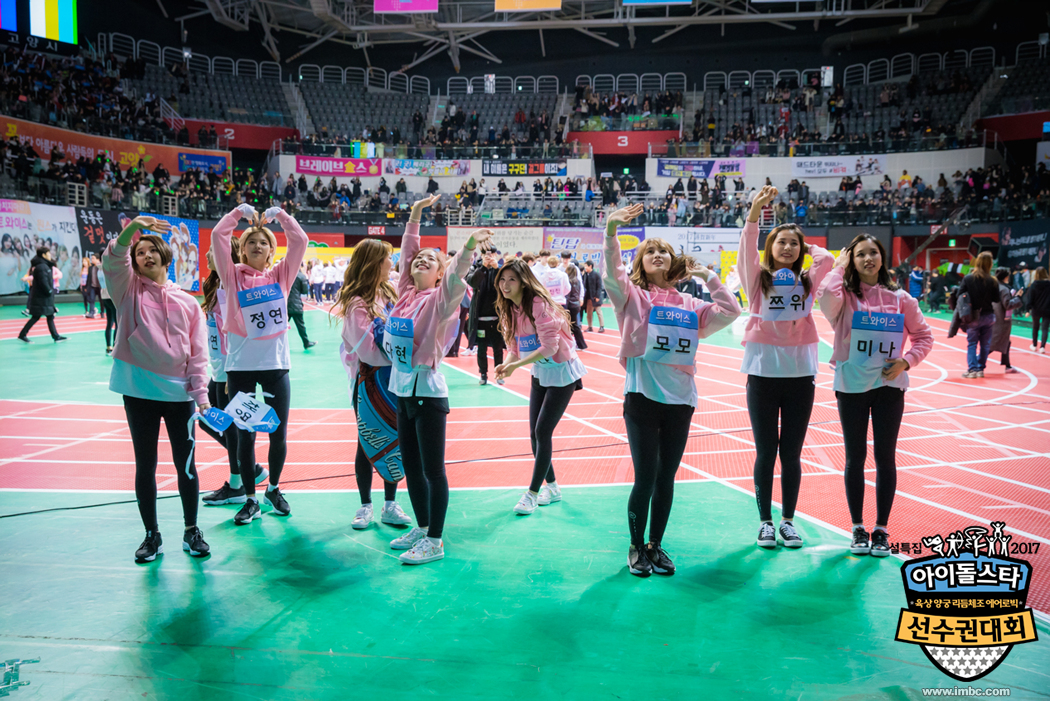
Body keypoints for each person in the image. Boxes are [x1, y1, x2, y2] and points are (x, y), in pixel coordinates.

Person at [604, 204, 741, 577]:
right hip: (642, 397)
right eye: (650, 251)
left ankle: (655, 545)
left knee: (666, 479)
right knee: (646, 477)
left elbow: (731, 311)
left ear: (673, 261)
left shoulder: (692, 305)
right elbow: (613, 274)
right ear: (641, 262)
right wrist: (611, 231)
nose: (657, 254)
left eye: (663, 250)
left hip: (681, 401)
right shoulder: (632, 297)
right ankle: (636, 547)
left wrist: (709, 276)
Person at [383, 194, 491, 565]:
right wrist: (414, 215)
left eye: (431, 260)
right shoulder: (405, 294)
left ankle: (435, 540)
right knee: (411, 467)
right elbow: (407, 252)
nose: (421, 260)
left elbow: (456, 274)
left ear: (439, 273)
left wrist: (469, 246)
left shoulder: (440, 300)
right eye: (419, 258)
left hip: (428, 394)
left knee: (432, 470)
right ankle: (422, 525)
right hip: (402, 392)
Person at [102, 216, 212, 562]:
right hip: (139, 393)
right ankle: (152, 535)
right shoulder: (127, 290)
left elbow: (198, 354)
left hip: (180, 397)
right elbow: (113, 259)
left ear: (166, 258)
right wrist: (133, 228)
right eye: (139, 252)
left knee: (187, 466)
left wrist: (201, 395)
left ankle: (192, 530)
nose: (145, 255)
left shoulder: (189, 303)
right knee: (145, 465)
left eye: (152, 250)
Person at [817, 234, 933, 557]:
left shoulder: (901, 299)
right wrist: (838, 267)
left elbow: (924, 336)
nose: (868, 259)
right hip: (851, 387)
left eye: (873, 253)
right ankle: (857, 527)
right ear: (852, 261)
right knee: (855, 458)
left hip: (889, 388)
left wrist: (906, 362)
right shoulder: (843, 298)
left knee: (885, 458)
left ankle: (881, 529)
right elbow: (824, 296)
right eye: (860, 255)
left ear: (882, 258)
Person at [738, 186, 833, 549]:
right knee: (766, 452)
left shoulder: (807, 281)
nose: (788, 247)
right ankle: (765, 522)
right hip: (762, 374)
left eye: (795, 243)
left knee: (791, 454)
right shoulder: (757, 280)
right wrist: (755, 212)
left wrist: (806, 248)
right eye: (781, 242)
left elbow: (827, 259)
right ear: (770, 248)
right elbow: (747, 249)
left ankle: (788, 521)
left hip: (800, 376)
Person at [211, 203, 308, 525]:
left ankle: (274, 489)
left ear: (271, 251)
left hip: (275, 366)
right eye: (250, 241)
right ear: (242, 249)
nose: (256, 245)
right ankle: (251, 499)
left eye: (263, 242)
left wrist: (280, 216)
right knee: (245, 436)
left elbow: (300, 241)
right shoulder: (231, 277)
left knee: (278, 433)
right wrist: (237, 214)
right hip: (240, 367)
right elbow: (218, 235)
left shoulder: (281, 275)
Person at [493, 259, 587, 515]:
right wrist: (506, 364)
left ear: (523, 282)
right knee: (535, 435)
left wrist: (516, 366)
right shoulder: (510, 308)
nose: (505, 285)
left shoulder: (539, 304)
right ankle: (552, 488)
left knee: (543, 431)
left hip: (562, 373)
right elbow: (514, 347)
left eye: (512, 279)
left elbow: (550, 347)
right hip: (540, 372)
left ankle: (532, 494)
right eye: (502, 280)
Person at [333, 239, 411, 531]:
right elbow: (368, 352)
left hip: (394, 380)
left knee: (396, 440)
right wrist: (399, 351)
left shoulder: (389, 293)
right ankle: (365, 505)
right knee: (367, 441)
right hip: (369, 383)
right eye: (387, 258)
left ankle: (390, 504)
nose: (392, 263)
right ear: (374, 264)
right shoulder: (357, 303)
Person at [199, 242, 268, 507]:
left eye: (213, 250)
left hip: (230, 369)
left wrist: (231, 370)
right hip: (218, 368)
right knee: (209, 421)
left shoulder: (233, 287)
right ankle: (251, 468)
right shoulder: (214, 285)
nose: (208, 254)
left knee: (231, 429)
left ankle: (237, 484)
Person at [466, 246, 507, 386]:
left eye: (491, 253)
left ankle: (499, 373)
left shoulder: (501, 269)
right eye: (485, 254)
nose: (489, 256)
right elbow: (472, 282)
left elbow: (505, 285)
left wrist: (497, 269)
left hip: (497, 318)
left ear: (496, 254)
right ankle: (483, 374)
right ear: (482, 255)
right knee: (481, 348)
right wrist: (483, 267)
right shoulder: (475, 268)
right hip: (480, 318)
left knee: (498, 348)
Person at [958, 252, 999, 379]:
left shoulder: (968, 278)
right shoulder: (992, 280)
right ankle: (981, 368)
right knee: (985, 344)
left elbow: (960, 294)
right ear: (990, 264)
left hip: (973, 315)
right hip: (988, 315)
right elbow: (996, 299)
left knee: (972, 343)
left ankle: (972, 369)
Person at [18, 246, 67, 343]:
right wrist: (49, 291)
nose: (50, 255)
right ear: (44, 255)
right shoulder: (42, 267)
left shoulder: (44, 266)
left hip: (44, 296)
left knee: (49, 316)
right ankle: (22, 334)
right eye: (48, 253)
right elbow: (43, 281)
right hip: (42, 297)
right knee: (36, 316)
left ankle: (55, 336)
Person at [991, 267, 1023, 374]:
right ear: (1005, 277)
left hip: (994, 317)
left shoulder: (994, 287)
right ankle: (977, 361)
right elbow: (1008, 305)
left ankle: (1007, 365)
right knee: (994, 343)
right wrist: (1018, 297)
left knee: (1005, 342)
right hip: (1001, 320)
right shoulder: (1004, 289)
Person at [288, 265, 316, 349]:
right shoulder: (301, 276)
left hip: (284, 304)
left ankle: (274, 344)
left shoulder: (285, 274)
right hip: (296, 304)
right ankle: (306, 343)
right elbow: (304, 291)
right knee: (300, 326)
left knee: (281, 327)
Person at [563, 263, 588, 350]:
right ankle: (577, 344)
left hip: (570, 305)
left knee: (572, 325)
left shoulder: (568, 281)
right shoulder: (577, 281)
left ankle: (581, 344)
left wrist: (565, 306)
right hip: (576, 304)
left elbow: (568, 295)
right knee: (573, 325)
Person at [1027, 267, 1050, 353]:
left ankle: (1034, 345)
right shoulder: (1049, 284)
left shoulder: (1034, 284)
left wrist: (1028, 309)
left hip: (1036, 309)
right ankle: (1042, 347)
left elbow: (1030, 297)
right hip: (1047, 309)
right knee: (1045, 328)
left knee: (1035, 327)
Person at [582, 260, 605, 332]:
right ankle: (590, 327)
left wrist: (597, 296)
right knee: (589, 313)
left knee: (599, 312)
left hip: (595, 297)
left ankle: (601, 327)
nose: (585, 267)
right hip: (588, 298)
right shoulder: (585, 275)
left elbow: (599, 286)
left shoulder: (596, 275)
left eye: (586, 266)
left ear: (590, 266)